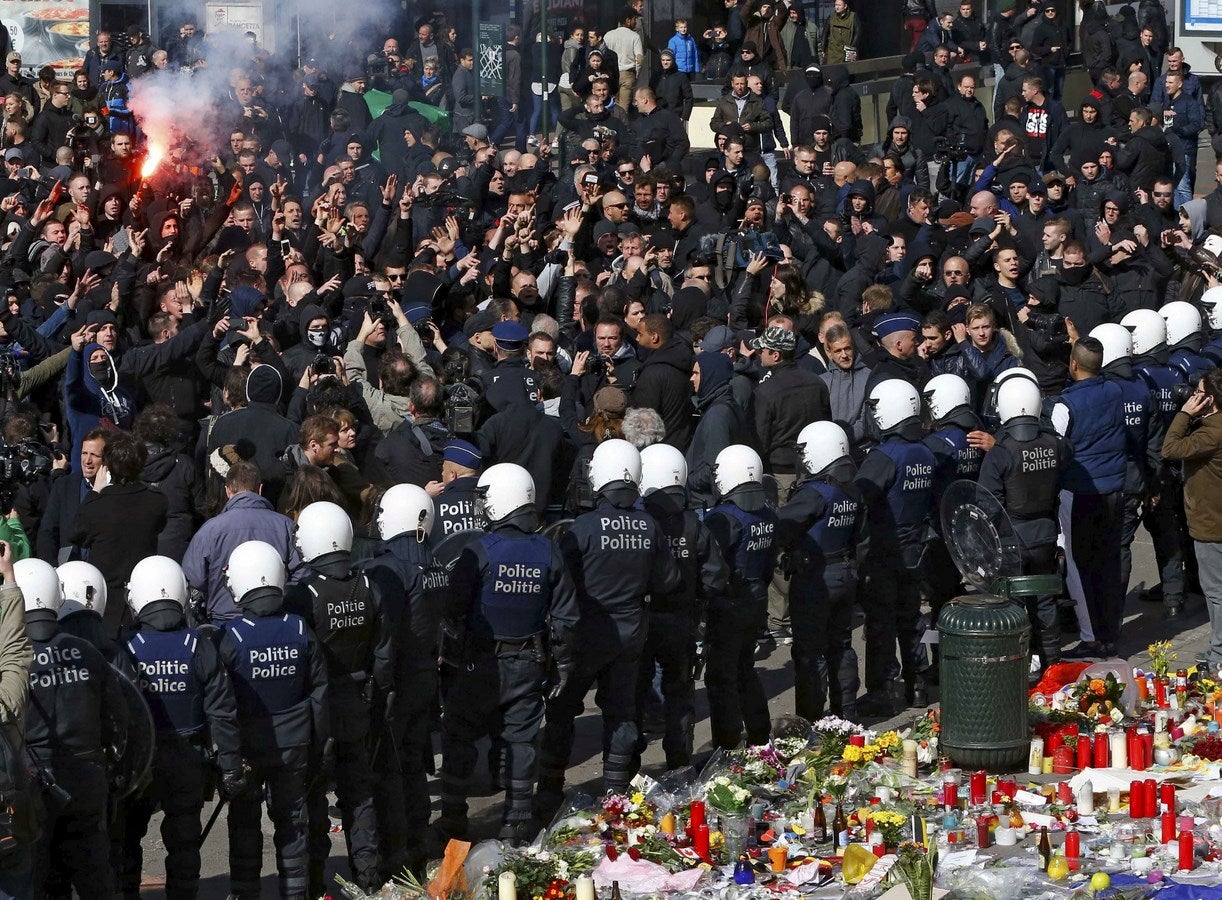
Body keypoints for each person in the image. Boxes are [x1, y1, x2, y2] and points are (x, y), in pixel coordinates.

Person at [536, 440, 680, 817]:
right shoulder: (650, 526)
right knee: (621, 712)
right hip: (630, 632)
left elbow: (557, 583)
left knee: (564, 711)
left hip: (585, 632)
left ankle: (549, 791)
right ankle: (615, 794)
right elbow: (667, 581)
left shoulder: (581, 528)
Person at [437, 464, 578, 846]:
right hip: (528, 662)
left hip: (478, 663)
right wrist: (562, 663)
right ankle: (516, 821)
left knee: (459, 736)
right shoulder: (547, 550)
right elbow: (565, 617)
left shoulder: (478, 550)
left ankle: (452, 820)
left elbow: (453, 609)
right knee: (521, 740)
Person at [118, 555, 245, 900]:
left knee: (127, 839)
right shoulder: (199, 645)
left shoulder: (126, 648)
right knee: (185, 846)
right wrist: (231, 767)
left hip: (140, 762)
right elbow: (222, 712)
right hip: (189, 760)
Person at [285, 502, 392, 895]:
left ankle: (314, 882)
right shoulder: (368, 586)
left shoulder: (302, 595)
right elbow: (383, 655)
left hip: (319, 711)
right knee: (359, 796)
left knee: (313, 797)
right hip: (358, 703)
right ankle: (369, 878)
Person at [217, 540, 328, 900]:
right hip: (294, 746)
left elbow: (222, 704)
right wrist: (320, 742)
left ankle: (245, 892)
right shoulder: (298, 628)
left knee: (245, 825)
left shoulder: (230, 637)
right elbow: (320, 693)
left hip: (249, 749)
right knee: (293, 824)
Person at [17, 557, 127, 899]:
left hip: (33, 784)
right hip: (87, 778)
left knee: (41, 879)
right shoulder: (86, 651)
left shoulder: (13, 661)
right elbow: (118, 717)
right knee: (95, 876)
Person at [361, 484, 447, 878]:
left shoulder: (387, 568)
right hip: (426, 676)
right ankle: (418, 838)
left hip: (396, 681)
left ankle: (397, 850)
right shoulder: (435, 565)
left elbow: (385, 634)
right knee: (413, 764)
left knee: (391, 769)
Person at [637, 444, 727, 767]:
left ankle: (627, 773)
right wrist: (697, 598)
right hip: (681, 619)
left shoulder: (640, 521)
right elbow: (715, 576)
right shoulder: (694, 523)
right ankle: (679, 763)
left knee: (635, 692)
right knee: (679, 694)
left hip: (644, 618)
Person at [978, 375, 1071, 671]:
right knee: (1045, 602)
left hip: (1012, 540)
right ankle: (1053, 663)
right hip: (1046, 534)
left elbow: (987, 504)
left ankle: (1017, 665)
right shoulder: (1056, 445)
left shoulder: (1000, 453)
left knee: (1013, 605)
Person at [855, 379, 936, 715]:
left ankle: (882, 690)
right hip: (916, 548)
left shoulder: (884, 456)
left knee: (881, 625)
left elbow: (861, 497)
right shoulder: (926, 451)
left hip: (885, 551)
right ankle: (917, 684)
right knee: (911, 619)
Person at [777, 422, 862, 721]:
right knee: (841, 645)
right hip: (846, 571)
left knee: (809, 653)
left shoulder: (814, 493)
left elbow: (781, 527)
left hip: (816, 578)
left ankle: (810, 719)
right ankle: (846, 714)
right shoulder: (851, 488)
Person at [1053, 337, 1127, 658]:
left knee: (1078, 565)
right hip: (1114, 490)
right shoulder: (1115, 392)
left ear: (1072, 365)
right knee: (1107, 562)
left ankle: (1090, 637)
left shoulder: (1065, 404)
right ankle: (1109, 632)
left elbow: (1055, 449)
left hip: (1080, 493)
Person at [703, 445, 777, 749]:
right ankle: (760, 733)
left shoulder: (723, 517)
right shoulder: (767, 513)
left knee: (721, 678)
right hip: (756, 599)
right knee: (745, 669)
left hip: (728, 604)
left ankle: (726, 744)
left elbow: (710, 566)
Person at [69, 431, 167, 636]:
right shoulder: (156, 501)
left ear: (108, 465)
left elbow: (76, 534)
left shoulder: (98, 505)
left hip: (107, 602)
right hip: (143, 598)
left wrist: (95, 493)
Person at [182, 460, 306, 622]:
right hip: (275, 617)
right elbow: (302, 572)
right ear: (260, 489)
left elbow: (194, 578)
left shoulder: (209, 530)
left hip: (226, 620)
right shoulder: (285, 525)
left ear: (227, 491)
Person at [1162, 369, 1222, 672]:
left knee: (1216, 593)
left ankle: (1219, 657)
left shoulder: (1211, 433)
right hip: (1214, 519)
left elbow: (1170, 448)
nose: (1192, 396)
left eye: (1197, 393)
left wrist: (1185, 414)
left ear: (1209, 399)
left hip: (1212, 525)